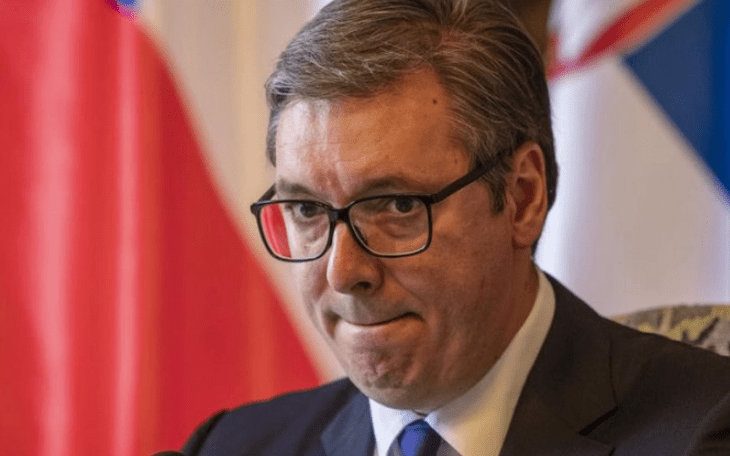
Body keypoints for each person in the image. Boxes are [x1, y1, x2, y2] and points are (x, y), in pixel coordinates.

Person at [179, 0, 730, 454]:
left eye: (396, 205)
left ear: (522, 197)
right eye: (307, 211)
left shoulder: (704, 432)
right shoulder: (230, 446)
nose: (343, 272)